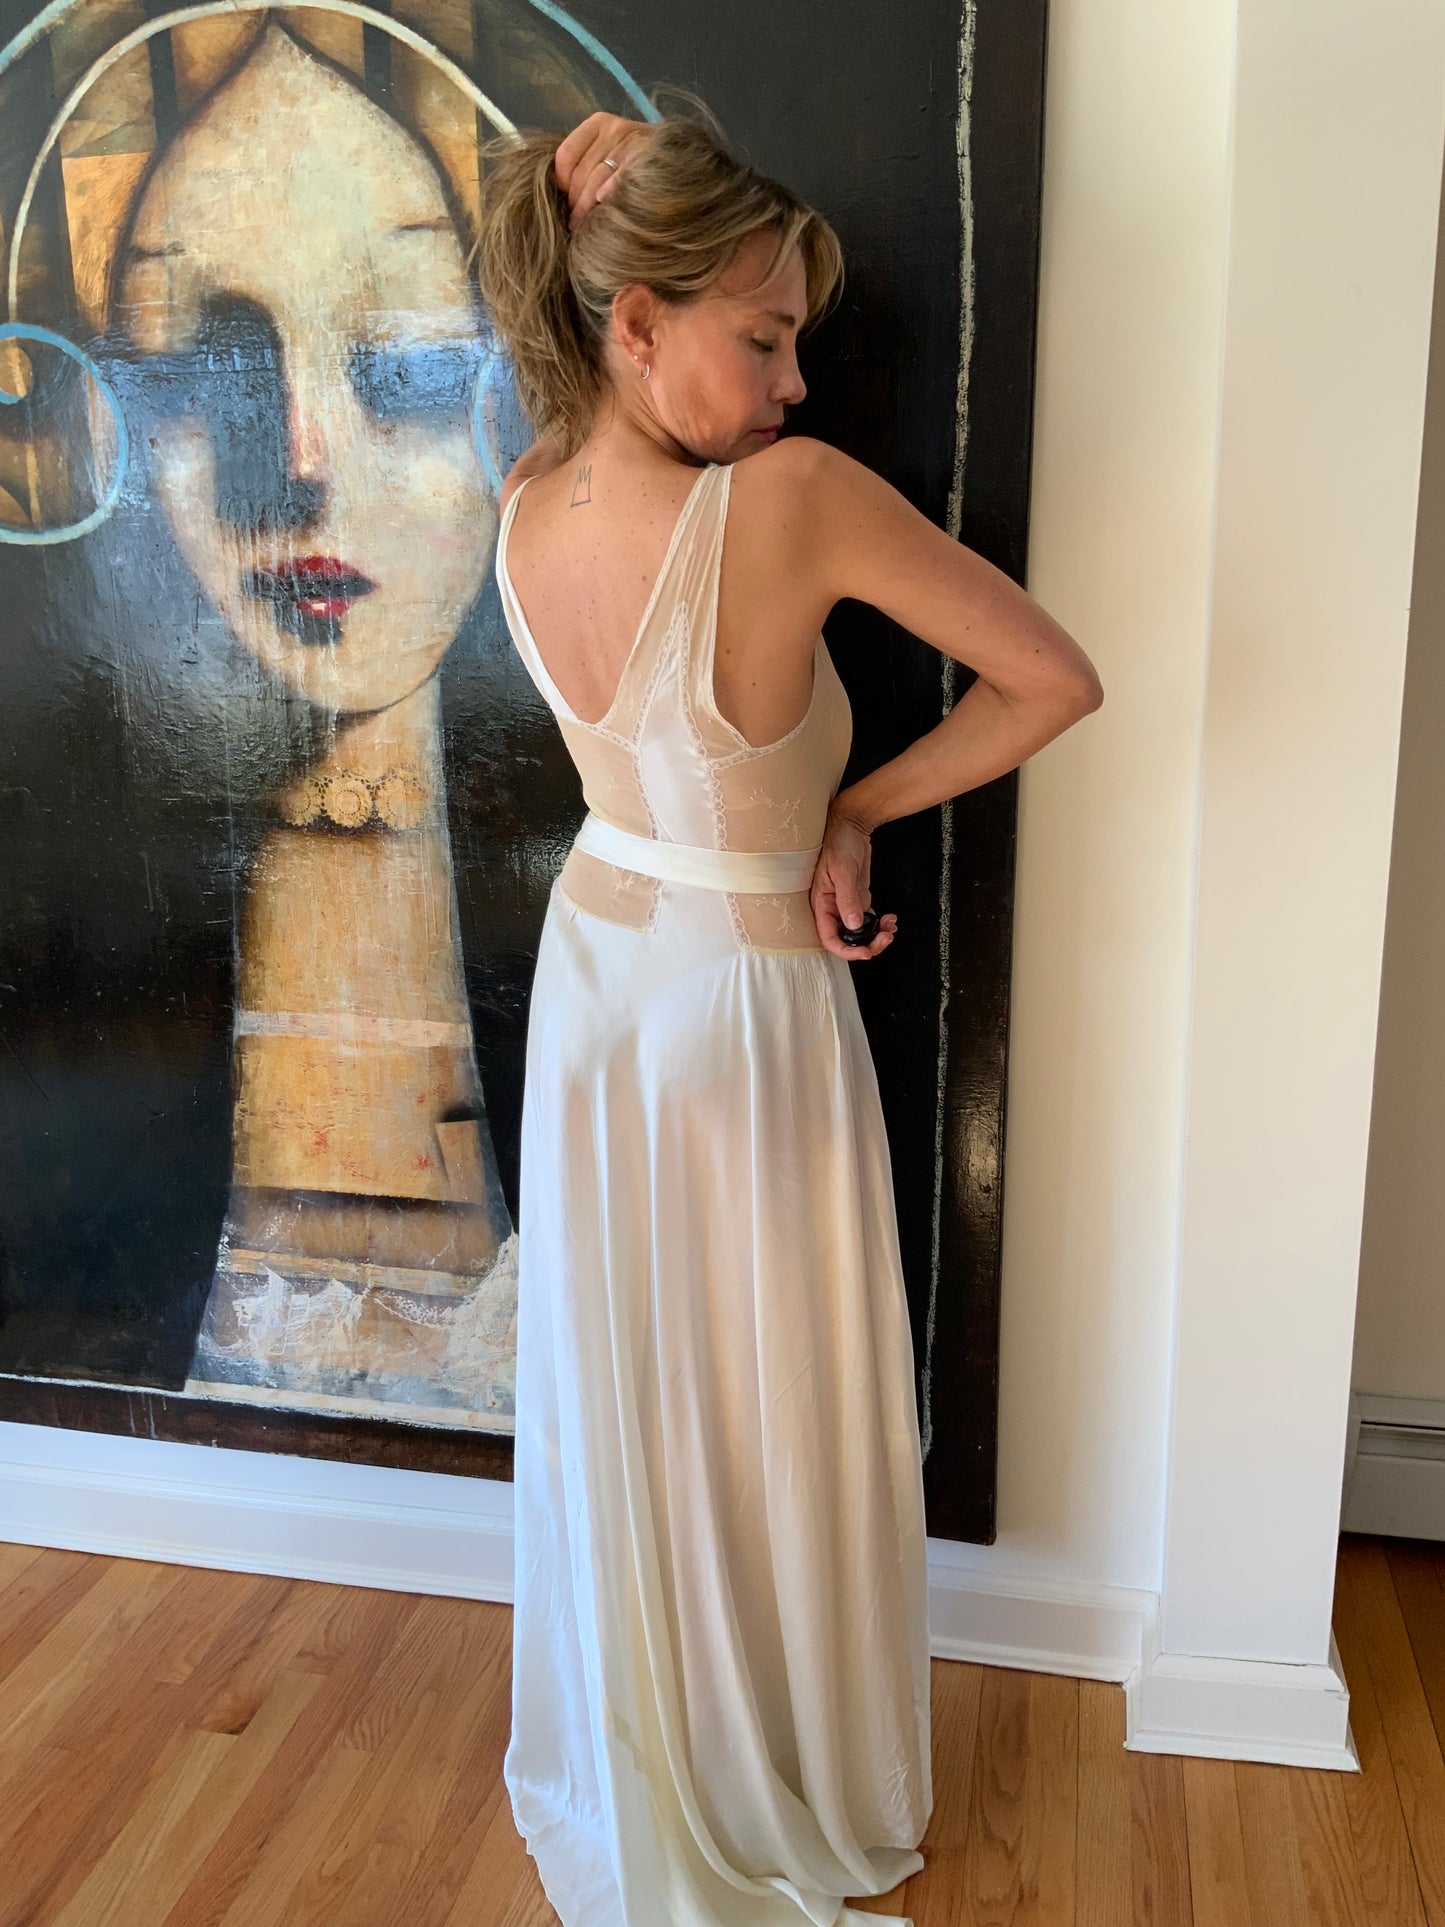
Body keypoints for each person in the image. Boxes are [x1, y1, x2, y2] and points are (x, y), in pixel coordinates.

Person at [477, 106, 1102, 1927]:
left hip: (597, 979)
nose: (795, 383)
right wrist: (855, 807)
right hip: (736, 1004)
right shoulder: (792, 503)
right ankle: (781, 1771)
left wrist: (823, 811)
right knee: (766, 1409)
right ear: (636, 322)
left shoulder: (525, 500)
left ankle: (652, 1750)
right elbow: (1050, 681)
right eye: (762, 339)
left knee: (635, 1400)